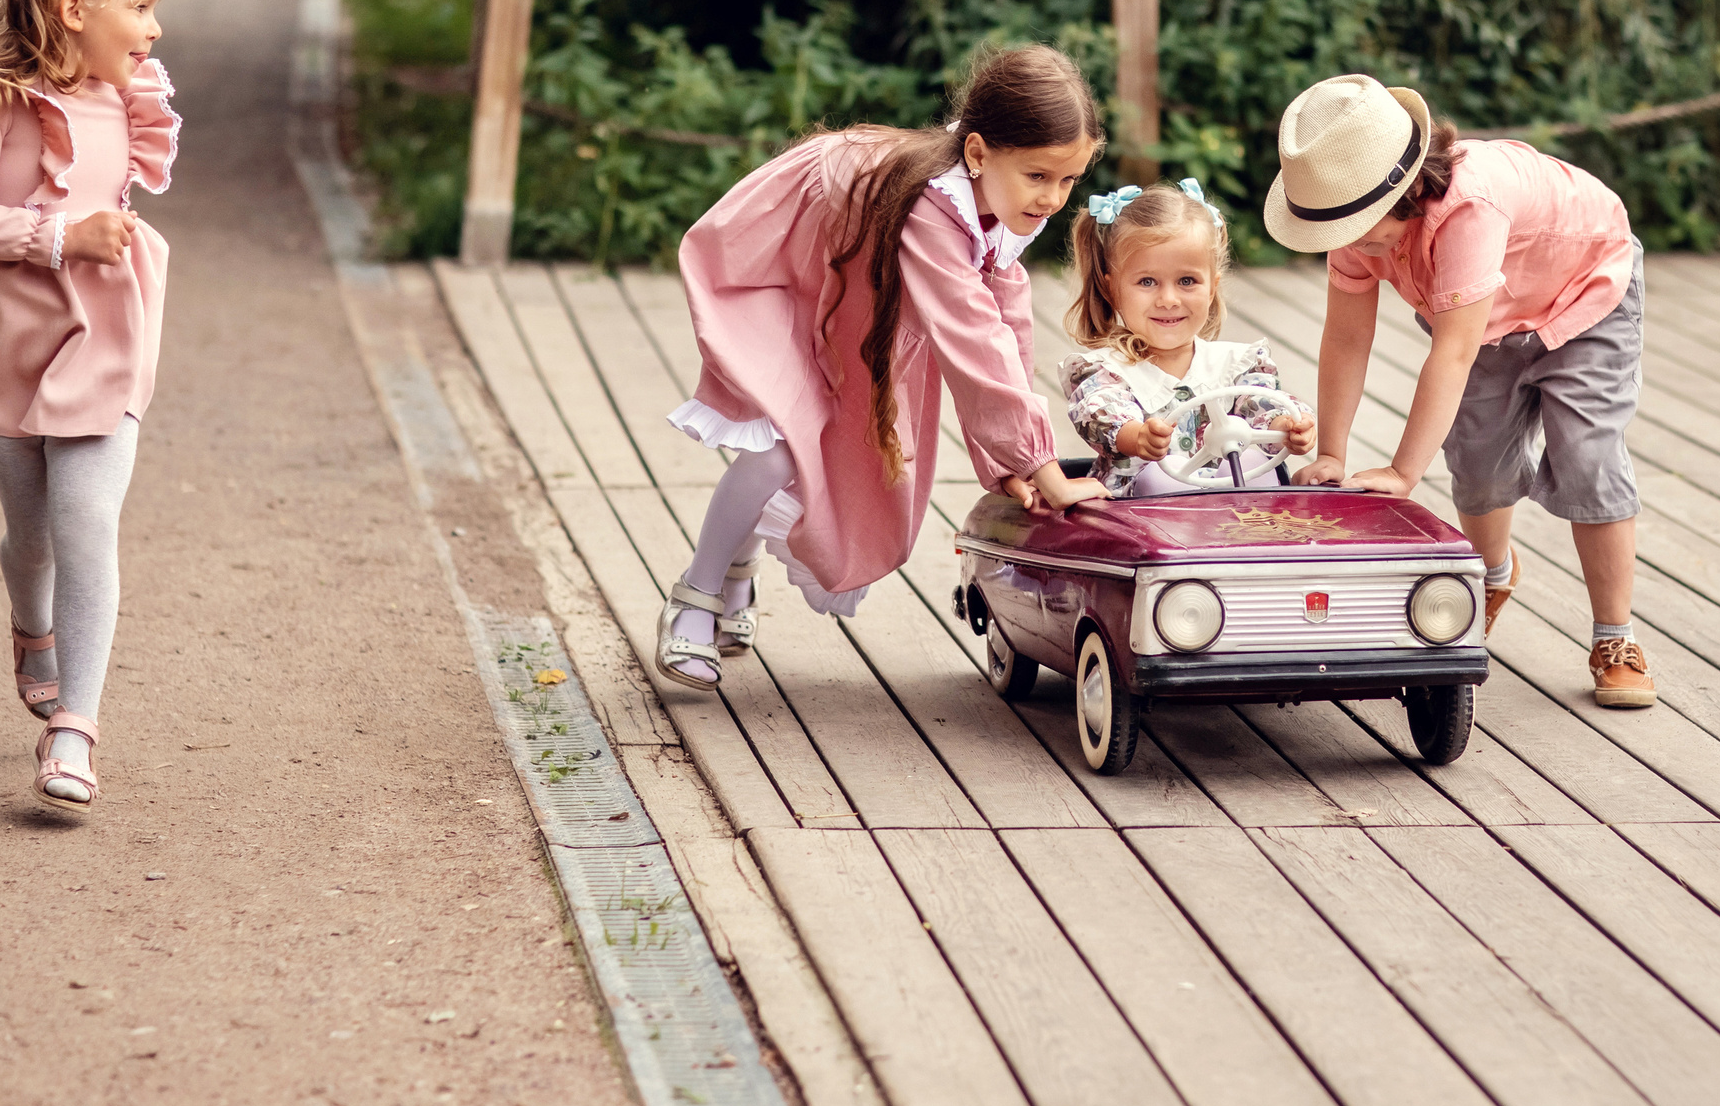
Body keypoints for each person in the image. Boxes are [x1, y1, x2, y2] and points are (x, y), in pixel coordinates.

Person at [659, 44, 1113, 687]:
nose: (1054, 198)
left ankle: (740, 566)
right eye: (1039, 176)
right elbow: (970, 338)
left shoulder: (1006, 204)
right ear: (978, 153)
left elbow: (1005, 331)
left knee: (829, 447)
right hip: (789, 277)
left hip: (855, 303)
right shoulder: (936, 210)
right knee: (785, 446)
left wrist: (1014, 463)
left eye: (1069, 180)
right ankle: (695, 596)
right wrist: (1040, 464)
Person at [1266, 73, 1654, 708]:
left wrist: (1399, 470)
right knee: (1475, 461)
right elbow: (1344, 338)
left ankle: (1615, 635)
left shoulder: (1469, 208)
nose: (1355, 247)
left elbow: (1451, 352)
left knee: (1588, 456)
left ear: (1412, 187)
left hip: (1585, 294)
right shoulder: (1353, 229)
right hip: (1483, 315)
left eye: (1366, 230)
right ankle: (1492, 575)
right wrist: (1331, 453)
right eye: (1341, 233)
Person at [0, 0, 189, 812]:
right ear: (75, 8)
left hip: (105, 331)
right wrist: (60, 233)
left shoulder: (130, 94)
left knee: (85, 520)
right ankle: (31, 626)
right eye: (141, 5)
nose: (153, 28)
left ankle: (74, 729)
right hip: (1, 334)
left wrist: (94, 241)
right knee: (31, 534)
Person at [1059, 178, 1315, 497]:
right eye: (1148, 281)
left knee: (1250, 460)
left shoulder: (1236, 366)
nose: (1168, 299)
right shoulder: (1106, 373)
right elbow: (1101, 413)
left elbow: (1260, 403)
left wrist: (1287, 428)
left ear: (1212, 288)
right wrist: (1137, 436)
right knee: (1163, 477)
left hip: (1233, 511)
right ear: (1112, 288)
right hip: (1141, 515)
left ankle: (1256, 536)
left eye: (1186, 281)